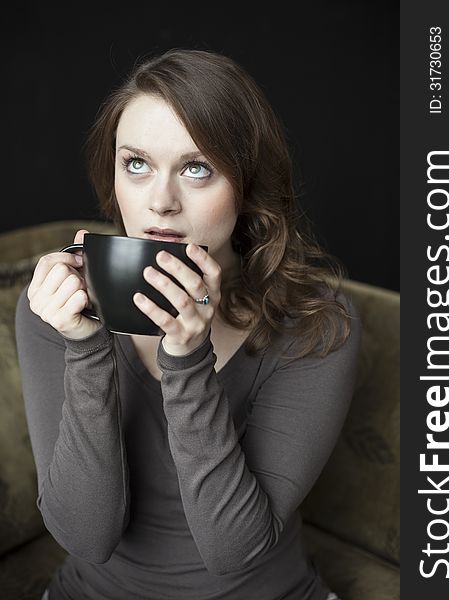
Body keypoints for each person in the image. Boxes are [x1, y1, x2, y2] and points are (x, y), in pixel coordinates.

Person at [15, 48, 361, 600]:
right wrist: (84, 346)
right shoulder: (60, 302)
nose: (160, 202)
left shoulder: (316, 322)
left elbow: (233, 551)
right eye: (137, 164)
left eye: (196, 168)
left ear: (248, 183)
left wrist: (187, 360)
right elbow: (86, 537)